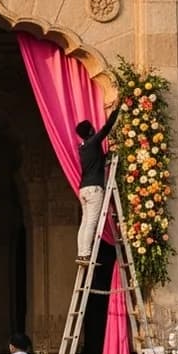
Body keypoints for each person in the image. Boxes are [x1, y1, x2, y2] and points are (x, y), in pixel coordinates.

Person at [74, 108, 120, 264]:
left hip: (84, 189)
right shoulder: (93, 142)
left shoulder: (83, 148)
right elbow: (106, 128)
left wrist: (109, 155)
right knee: (91, 222)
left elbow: (98, 161)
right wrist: (117, 109)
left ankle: (81, 253)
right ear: (90, 130)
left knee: (85, 222)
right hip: (94, 189)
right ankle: (85, 254)